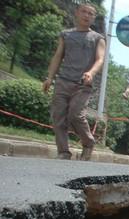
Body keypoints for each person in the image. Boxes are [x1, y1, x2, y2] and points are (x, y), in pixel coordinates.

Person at [43, 3, 105, 161]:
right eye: (84, 12)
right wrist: (50, 77)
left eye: (91, 14)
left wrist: (91, 72)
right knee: (58, 116)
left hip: (83, 83)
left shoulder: (98, 38)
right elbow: (58, 56)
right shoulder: (66, 35)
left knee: (76, 115)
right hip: (63, 80)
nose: (87, 15)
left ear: (93, 18)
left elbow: (100, 59)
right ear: (77, 13)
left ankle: (88, 142)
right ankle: (63, 151)